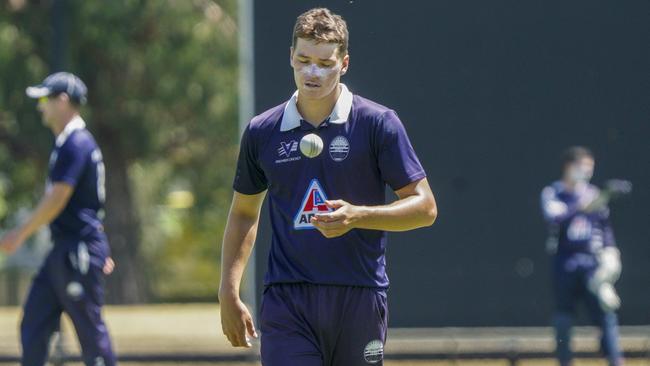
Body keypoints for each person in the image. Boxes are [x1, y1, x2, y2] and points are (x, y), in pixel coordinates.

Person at [219, 8, 437, 366]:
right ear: (290, 56)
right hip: (288, 301)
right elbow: (244, 213)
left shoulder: (377, 123)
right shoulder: (262, 131)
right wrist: (228, 289)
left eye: (324, 62)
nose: (312, 72)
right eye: (303, 60)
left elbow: (425, 208)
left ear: (344, 63)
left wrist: (358, 216)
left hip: (360, 297)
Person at [0, 72, 117, 366]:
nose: (40, 106)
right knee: (34, 325)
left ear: (62, 101)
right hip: (63, 251)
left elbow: (58, 198)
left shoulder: (76, 143)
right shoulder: (66, 143)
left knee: (91, 335)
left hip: (76, 253)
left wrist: (20, 233)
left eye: (44, 99)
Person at [541, 146, 631, 366]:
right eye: (582, 167)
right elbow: (555, 218)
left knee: (606, 314)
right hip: (565, 261)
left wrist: (611, 253)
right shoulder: (553, 192)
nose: (586, 172)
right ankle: (564, 362)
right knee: (564, 316)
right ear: (568, 167)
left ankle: (615, 360)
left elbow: (604, 228)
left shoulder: (593, 194)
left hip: (592, 263)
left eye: (590, 168)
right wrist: (581, 205)